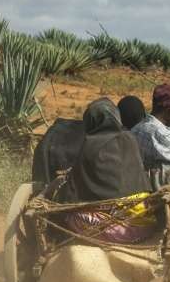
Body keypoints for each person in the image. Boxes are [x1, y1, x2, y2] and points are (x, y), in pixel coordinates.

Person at [59, 98, 156, 243]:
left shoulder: (89, 145)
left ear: (90, 122)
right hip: (144, 224)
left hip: (113, 231)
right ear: (117, 117)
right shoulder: (129, 138)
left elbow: (72, 192)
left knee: (68, 216)